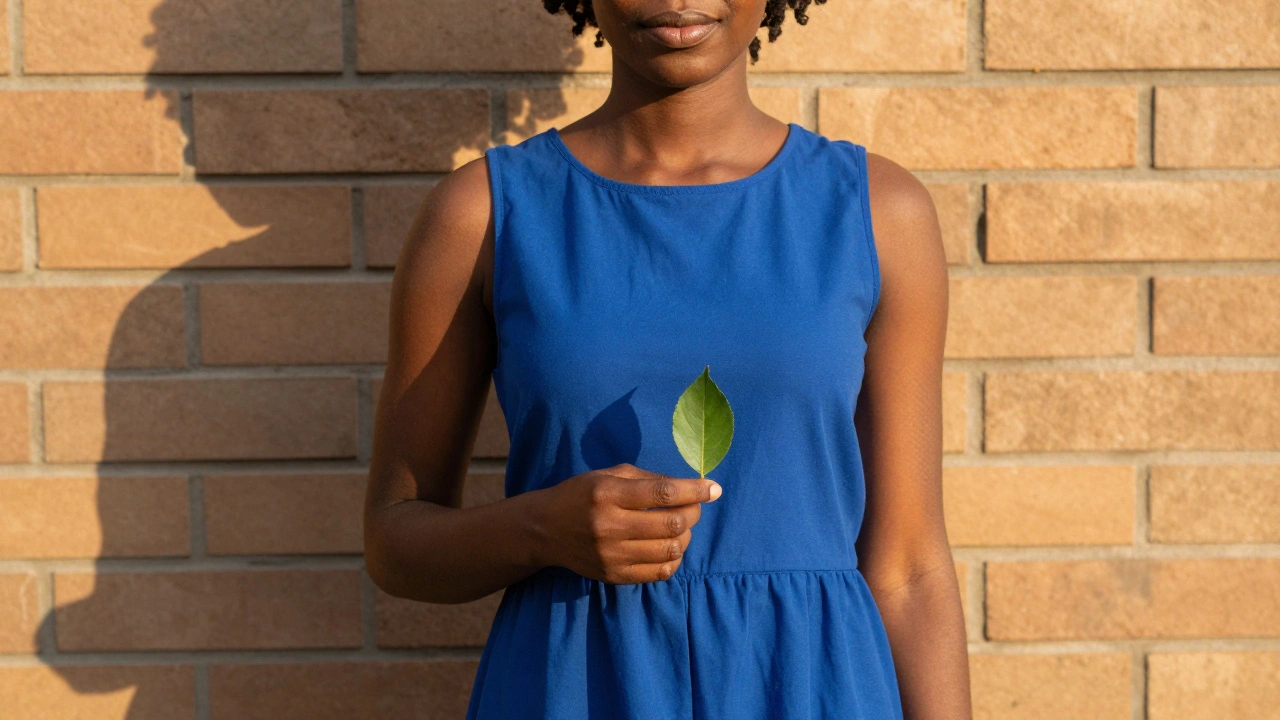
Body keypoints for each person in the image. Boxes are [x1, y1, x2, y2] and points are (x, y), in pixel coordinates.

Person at [363, 0, 970, 717]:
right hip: (578, 687)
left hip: (811, 687)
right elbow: (396, 541)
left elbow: (910, 569)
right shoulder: (483, 215)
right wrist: (540, 530)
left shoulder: (876, 210)